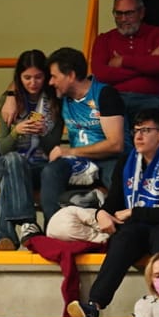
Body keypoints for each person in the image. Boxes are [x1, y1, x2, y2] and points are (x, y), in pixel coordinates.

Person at [71, 109, 159, 317]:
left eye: (145, 131)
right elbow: (114, 201)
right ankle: (94, 304)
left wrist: (134, 212)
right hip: (137, 227)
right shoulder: (127, 162)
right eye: (135, 132)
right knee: (124, 237)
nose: (138, 137)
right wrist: (102, 214)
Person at [33, 46, 127, 233]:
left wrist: (69, 151)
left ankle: (120, 231)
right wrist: (11, 96)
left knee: (118, 175)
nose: (50, 82)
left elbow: (116, 144)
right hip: (78, 162)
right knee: (49, 171)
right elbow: (26, 75)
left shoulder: (105, 95)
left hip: (108, 159)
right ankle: (53, 229)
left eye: (54, 76)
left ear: (71, 75)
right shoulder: (60, 96)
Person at [0, 49, 62, 251]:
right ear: (19, 78)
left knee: (9, 182)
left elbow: (53, 148)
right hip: (8, 163)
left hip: (39, 166)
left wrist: (42, 134)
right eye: (27, 78)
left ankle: (3, 238)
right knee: (13, 160)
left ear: (46, 76)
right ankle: (27, 221)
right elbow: (2, 149)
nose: (33, 83)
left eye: (38, 77)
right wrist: (16, 132)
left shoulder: (54, 101)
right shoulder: (9, 100)